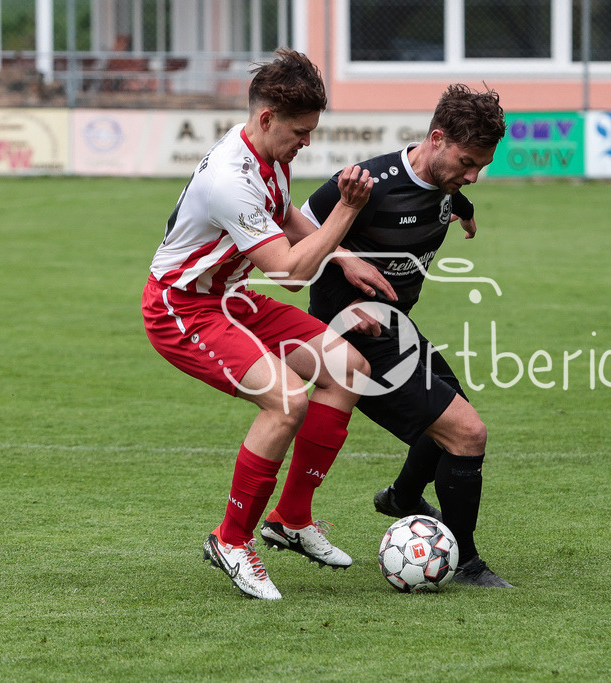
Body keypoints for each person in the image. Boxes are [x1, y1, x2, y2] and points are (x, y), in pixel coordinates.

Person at [141, 49, 389, 601]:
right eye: (301, 133)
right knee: (286, 401)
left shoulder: (265, 151)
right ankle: (230, 540)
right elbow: (292, 274)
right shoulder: (230, 176)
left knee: (347, 369)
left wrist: (344, 256)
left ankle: (291, 519)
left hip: (230, 296)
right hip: (181, 307)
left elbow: (285, 214)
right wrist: (346, 212)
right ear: (266, 118)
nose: (307, 143)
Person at [296, 84, 512, 587]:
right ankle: (464, 563)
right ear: (436, 139)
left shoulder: (446, 186)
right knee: (466, 432)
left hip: (396, 328)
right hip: (352, 337)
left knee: (450, 410)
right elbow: (295, 231)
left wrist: (463, 205)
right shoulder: (367, 183)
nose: (472, 175)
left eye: (481, 166)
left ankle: (401, 497)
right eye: (466, 162)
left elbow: (442, 196)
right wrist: (344, 293)